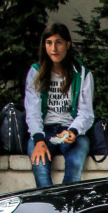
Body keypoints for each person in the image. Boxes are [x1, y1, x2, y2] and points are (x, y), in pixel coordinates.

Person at [24, 23, 94, 187]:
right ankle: (48, 207)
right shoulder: (36, 71)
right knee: (40, 168)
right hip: (44, 130)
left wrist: (73, 131)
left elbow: (86, 113)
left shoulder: (81, 72)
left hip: (70, 129)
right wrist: (39, 141)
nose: (53, 48)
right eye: (49, 43)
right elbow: (32, 112)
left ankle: (68, 206)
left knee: (75, 165)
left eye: (59, 42)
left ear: (68, 44)